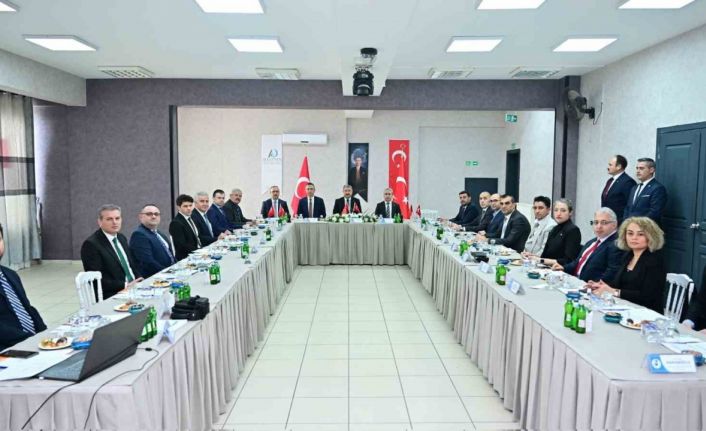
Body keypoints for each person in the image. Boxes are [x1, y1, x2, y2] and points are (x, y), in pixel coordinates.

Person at [586, 217, 666, 313]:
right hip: (626, 307)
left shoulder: (655, 260)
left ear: (651, 237)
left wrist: (613, 291)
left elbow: (647, 296)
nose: (634, 238)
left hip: (647, 313)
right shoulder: (628, 255)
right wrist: (601, 286)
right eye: (630, 233)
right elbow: (619, 283)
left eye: (640, 234)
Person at [0, 223, 47, 351]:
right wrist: (29, 340)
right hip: (8, 350)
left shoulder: (10, 274)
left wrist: (45, 335)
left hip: (29, 343)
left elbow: (27, 309)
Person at [81, 204, 143, 300]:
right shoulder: (91, 244)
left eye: (117, 218)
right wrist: (125, 285)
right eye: (109, 219)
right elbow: (95, 280)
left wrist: (139, 279)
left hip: (134, 288)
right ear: (100, 222)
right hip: (114, 294)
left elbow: (131, 265)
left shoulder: (121, 238)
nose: (114, 222)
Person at [553, 208, 623, 282]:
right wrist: (563, 268)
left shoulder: (616, 245)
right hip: (575, 281)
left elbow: (612, 273)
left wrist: (595, 284)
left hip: (590, 285)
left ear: (614, 225)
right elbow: (577, 262)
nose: (598, 226)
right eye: (596, 222)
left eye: (604, 223)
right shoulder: (591, 242)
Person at [129, 204, 176, 278]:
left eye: (156, 214)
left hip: (169, 274)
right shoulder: (139, 235)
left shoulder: (159, 233)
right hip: (155, 278)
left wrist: (178, 267)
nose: (153, 216)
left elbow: (171, 255)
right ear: (140, 217)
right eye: (149, 214)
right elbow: (148, 262)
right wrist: (168, 273)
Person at [534, 199, 582, 267]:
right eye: (556, 210)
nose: (558, 213)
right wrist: (533, 257)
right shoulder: (555, 228)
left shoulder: (573, 230)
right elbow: (545, 254)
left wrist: (541, 260)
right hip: (546, 267)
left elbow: (568, 260)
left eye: (563, 210)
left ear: (570, 212)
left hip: (560, 270)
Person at [623, 158, 667, 224]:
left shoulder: (658, 188)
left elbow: (655, 212)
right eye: (637, 168)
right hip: (630, 226)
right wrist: (626, 222)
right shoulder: (634, 188)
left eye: (641, 168)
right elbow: (628, 208)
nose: (638, 171)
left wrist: (638, 224)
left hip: (646, 227)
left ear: (651, 170)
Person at [601, 155, 636, 225]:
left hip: (619, 222)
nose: (608, 167)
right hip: (607, 221)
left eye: (610, 165)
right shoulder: (610, 181)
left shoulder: (628, 182)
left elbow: (629, 205)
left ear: (619, 167)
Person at [169, 194, 202, 260]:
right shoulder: (176, 223)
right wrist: (200, 251)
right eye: (185, 206)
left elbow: (197, 237)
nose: (189, 208)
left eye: (190, 205)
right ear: (179, 207)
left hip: (197, 253)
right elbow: (182, 245)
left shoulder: (191, 218)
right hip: (186, 258)